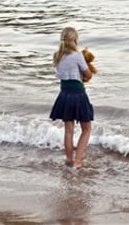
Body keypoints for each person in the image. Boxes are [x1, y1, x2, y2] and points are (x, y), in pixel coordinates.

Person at [49, 27, 94, 169]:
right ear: (75, 40)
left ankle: (69, 159)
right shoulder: (78, 55)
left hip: (64, 94)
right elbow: (88, 74)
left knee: (68, 131)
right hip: (78, 95)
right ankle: (78, 161)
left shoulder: (57, 56)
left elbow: (61, 74)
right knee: (86, 129)